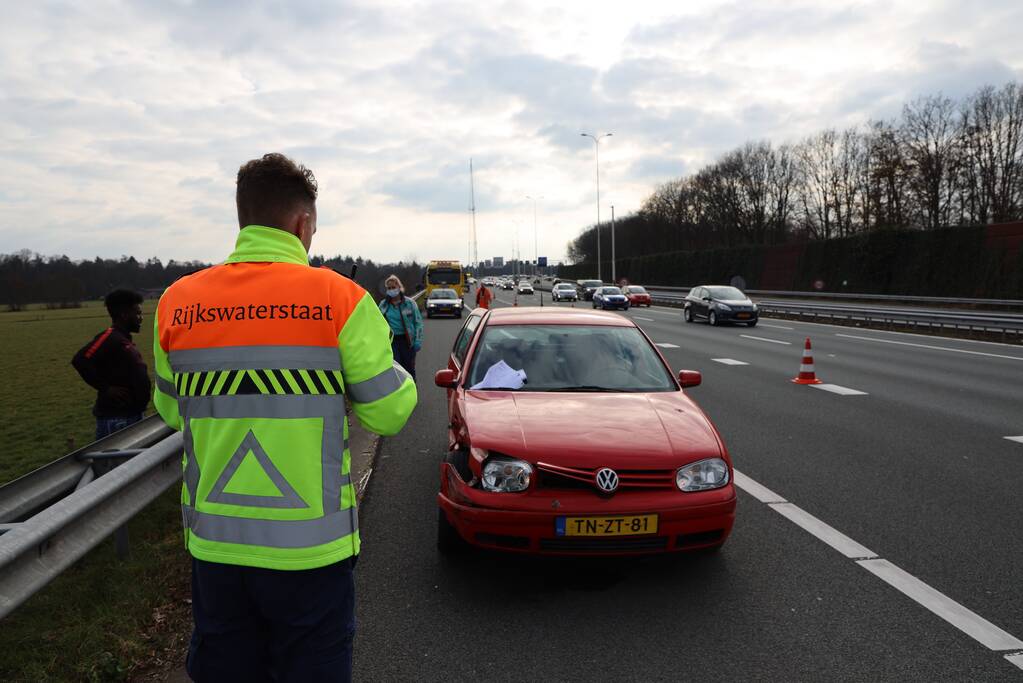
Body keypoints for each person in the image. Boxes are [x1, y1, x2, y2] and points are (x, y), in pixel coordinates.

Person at [152, 153, 417, 682]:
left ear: (243, 218)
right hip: (310, 557)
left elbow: (169, 408)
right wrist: (399, 373)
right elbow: (387, 413)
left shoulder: (176, 303)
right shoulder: (341, 300)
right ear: (303, 224)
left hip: (216, 548)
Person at [72, 289, 150, 439]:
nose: (141, 318)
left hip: (132, 416)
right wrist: (106, 388)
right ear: (124, 314)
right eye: (137, 313)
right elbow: (80, 360)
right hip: (116, 420)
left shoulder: (123, 339)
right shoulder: (109, 337)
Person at [378, 275, 423, 380]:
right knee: (396, 369)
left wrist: (418, 341)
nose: (391, 290)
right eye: (389, 288)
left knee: (409, 368)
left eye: (393, 287)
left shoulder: (410, 303)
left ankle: (412, 390)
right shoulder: (383, 305)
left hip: (407, 341)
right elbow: (378, 323)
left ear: (399, 287)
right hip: (391, 342)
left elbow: (418, 323)